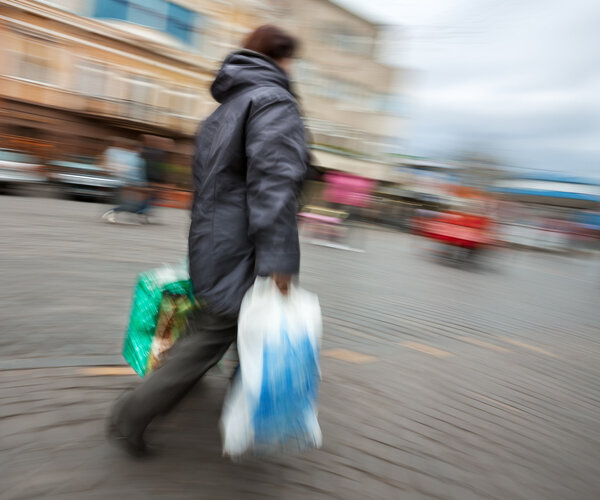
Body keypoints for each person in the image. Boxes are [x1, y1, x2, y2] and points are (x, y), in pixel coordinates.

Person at [108, 25, 309, 455]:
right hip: (246, 250)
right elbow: (274, 186)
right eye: (291, 58)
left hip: (213, 244)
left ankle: (240, 418)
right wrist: (280, 262)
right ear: (279, 59)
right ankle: (132, 415)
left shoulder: (224, 110)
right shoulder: (274, 102)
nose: (293, 68)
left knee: (224, 330)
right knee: (214, 335)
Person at [101, 138, 147, 224]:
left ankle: (114, 213)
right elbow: (130, 171)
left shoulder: (138, 158)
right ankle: (111, 213)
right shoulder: (133, 158)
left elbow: (138, 173)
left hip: (132, 183)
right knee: (130, 203)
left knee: (133, 203)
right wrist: (133, 182)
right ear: (137, 148)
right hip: (129, 183)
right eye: (142, 148)